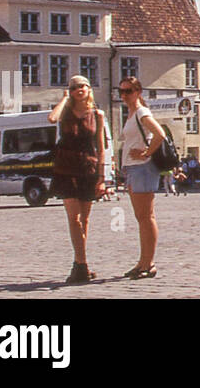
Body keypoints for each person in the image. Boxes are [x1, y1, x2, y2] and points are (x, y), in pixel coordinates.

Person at [47, 75, 107, 283]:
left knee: (85, 220)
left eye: (82, 86)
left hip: (88, 169)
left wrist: (102, 177)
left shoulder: (97, 114)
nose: (78, 89)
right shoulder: (65, 113)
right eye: (74, 88)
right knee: (75, 219)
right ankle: (81, 264)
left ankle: (80, 262)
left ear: (89, 89)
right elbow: (51, 119)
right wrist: (64, 99)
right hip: (66, 169)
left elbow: (101, 147)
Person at [118, 77, 164, 278]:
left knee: (146, 217)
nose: (124, 95)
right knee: (141, 218)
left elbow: (159, 133)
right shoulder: (131, 114)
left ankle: (148, 263)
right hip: (133, 168)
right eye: (121, 91)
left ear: (138, 92)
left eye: (128, 91)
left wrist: (146, 153)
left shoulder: (142, 112)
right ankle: (142, 261)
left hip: (142, 168)